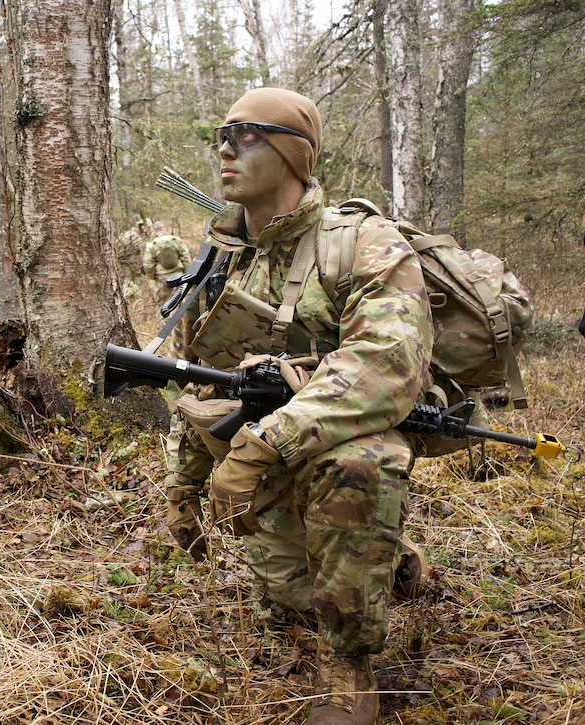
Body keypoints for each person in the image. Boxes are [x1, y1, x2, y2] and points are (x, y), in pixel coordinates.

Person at [163, 87, 432, 725]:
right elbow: (201, 385)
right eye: (222, 135)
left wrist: (267, 443)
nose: (226, 148)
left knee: (358, 466)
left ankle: (351, 667)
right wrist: (184, 480)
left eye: (249, 134)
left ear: (293, 154)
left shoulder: (363, 243)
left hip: (342, 436)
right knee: (288, 601)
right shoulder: (221, 257)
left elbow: (385, 364)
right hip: (254, 448)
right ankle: (388, 562)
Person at [141, 219, 192, 303]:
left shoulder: (152, 244)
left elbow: (148, 264)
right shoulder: (176, 240)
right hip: (178, 275)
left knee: (163, 303)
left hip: (162, 278)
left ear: (154, 231)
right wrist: (187, 274)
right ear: (164, 229)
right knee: (181, 300)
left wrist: (151, 279)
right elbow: (186, 258)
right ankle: (182, 315)